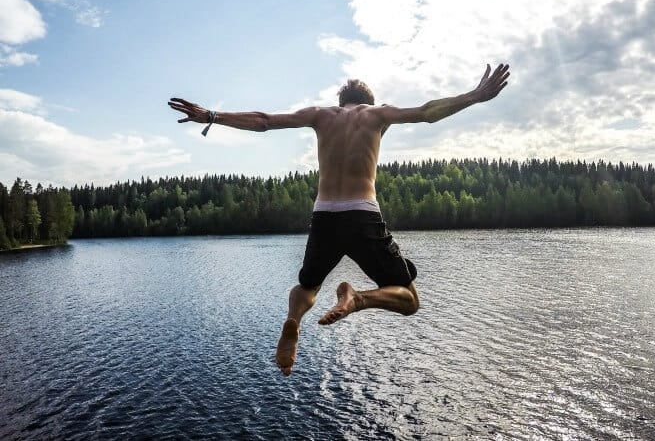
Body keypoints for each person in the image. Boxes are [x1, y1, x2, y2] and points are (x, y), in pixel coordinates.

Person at [168, 63, 510, 376]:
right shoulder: (378, 115)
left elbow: (264, 121)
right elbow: (426, 113)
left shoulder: (320, 115)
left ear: (342, 100)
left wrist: (212, 115)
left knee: (307, 286)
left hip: (325, 216)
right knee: (409, 298)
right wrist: (476, 96)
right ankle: (358, 298)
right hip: (363, 215)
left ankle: (293, 320)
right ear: (367, 101)